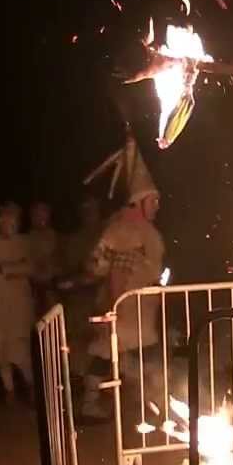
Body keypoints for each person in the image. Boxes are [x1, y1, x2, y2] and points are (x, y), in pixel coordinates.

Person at [79, 155, 165, 421]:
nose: (157, 206)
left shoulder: (143, 228)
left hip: (139, 308)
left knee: (128, 356)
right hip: (126, 308)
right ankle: (93, 404)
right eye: (153, 200)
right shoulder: (127, 229)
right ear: (138, 202)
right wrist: (115, 308)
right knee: (114, 354)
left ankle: (148, 405)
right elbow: (116, 271)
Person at [0, 202, 35, 405]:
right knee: (0, 346)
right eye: (2, 218)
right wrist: (7, 269)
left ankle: (30, 386)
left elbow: (29, 266)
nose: (5, 222)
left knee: (19, 345)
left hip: (18, 300)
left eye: (10, 218)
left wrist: (3, 269)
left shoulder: (24, 242)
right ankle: (8, 389)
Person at [59, 196, 106, 379]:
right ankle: (79, 381)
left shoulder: (107, 234)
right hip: (80, 298)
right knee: (79, 340)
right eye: (85, 210)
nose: (89, 214)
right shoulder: (76, 240)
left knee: (102, 342)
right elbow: (70, 268)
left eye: (92, 209)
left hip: (104, 296)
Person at [27, 201, 60, 314]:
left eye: (42, 214)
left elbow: (58, 263)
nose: (39, 218)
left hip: (50, 287)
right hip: (32, 289)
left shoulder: (54, 237)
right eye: (35, 215)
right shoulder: (28, 238)